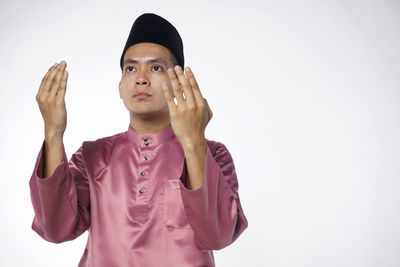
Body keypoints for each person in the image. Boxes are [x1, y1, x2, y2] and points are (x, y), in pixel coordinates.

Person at [29, 13, 248, 267]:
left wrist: (194, 143)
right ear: (120, 87)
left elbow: (218, 235)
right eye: (130, 68)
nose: (140, 78)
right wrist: (53, 133)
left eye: (156, 68)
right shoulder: (93, 156)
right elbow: (56, 229)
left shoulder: (214, 154)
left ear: (179, 83)